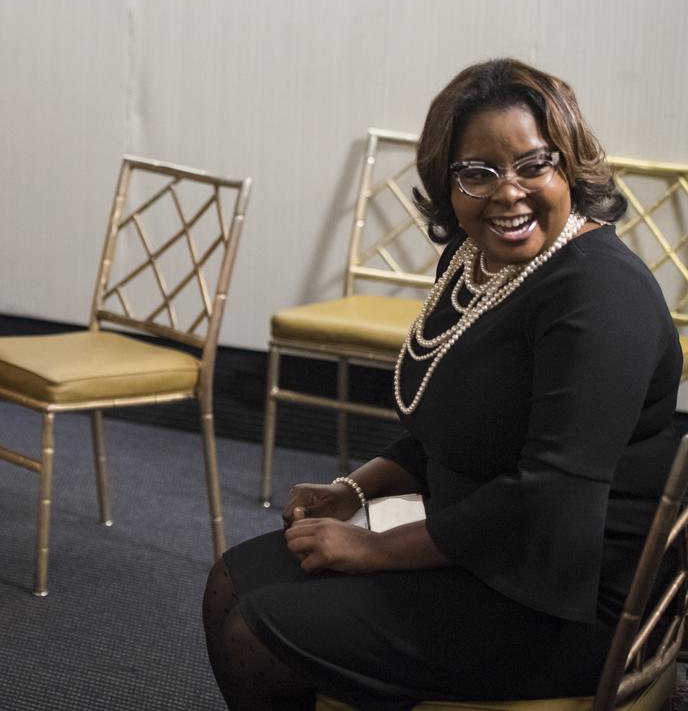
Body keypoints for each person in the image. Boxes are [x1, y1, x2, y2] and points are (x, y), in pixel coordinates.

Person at [202, 58, 682, 710]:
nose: (507, 192)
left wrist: (373, 549)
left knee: (260, 632)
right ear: (447, 181)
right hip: (479, 553)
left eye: (534, 164)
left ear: (569, 165)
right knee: (228, 584)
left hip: (562, 599)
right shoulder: (471, 259)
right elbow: (458, 426)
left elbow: (546, 501)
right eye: (478, 172)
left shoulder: (601, 295)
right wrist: (352, 489)